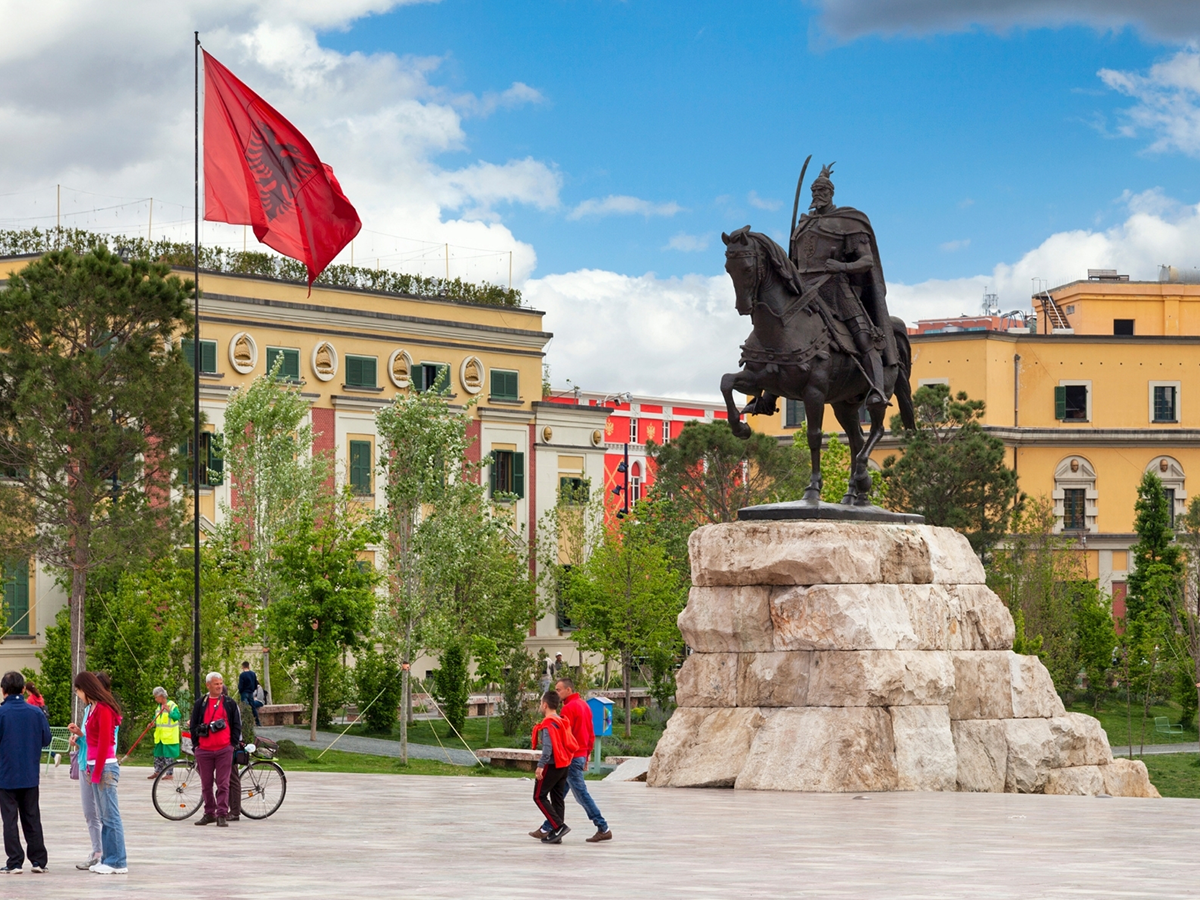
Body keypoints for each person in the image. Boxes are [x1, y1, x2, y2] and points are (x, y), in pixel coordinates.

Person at [531, 677, 613, 843]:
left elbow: (563, 737)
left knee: (580, 794)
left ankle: (603, 827)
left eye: (559, 689)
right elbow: (591, 732)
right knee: (559, 794)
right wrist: (587, 753)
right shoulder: (584, 705)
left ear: (569, 690)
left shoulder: (568, 709)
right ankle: (548, 827)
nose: (557, 692)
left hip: (570, 757)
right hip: (580, 754)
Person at [73, 671, 126, 874]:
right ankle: (107, 858)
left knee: (111, 816)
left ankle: (118, 861)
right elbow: (91, 741)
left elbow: (105, 743)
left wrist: (96, 772)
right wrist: (88, 766)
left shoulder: (103, 709)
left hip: (105, 767)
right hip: (94, 765)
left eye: (78, 691)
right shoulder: (93, 708)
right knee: (104, 817)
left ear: (85, 689)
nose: (78, 695)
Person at [0, 671, 51, 874]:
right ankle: (38, 860)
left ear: (3, 691)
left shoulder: (2, 713)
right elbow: (46, 739)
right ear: (23, 689)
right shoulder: (36, 713)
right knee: (32, 817)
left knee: (9, 820)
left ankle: (14, 862)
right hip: (30, 774)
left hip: (6, 775)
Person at [189, 672, 241, 827]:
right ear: (208, 685)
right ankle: (209, 812)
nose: (219, 686)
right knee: (206, 784)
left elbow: (237, 724)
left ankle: (222, 814)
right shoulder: (201, 703)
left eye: (220, 683)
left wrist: (232, 744)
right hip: (204, 750)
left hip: (224, 749)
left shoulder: (229, 703)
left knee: (223, 783)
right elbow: (193, 725)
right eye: (216, 684)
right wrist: (196, 745)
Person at [530, 691, 573, 845]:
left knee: (538, 796)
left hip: (552, 765)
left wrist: (540, 766)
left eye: (541, 703)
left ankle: (559, 827)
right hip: (564, 764)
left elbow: (548, 748)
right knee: (557, 798)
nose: (541, 706)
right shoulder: (562, 721)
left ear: (545, 705)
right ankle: (556, 834)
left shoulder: (548, 724)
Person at [149, 687, 181, 780]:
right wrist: (152, 724)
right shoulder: (158, 707)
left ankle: (169, 774)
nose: (155, 699)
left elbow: (177, 716)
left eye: (156, 697)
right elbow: (157, 719)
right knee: (158, 755)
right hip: (160, 736)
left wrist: (169, 711)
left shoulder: (172, 705)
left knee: (168, 756)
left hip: (169, 736)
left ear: (161, 696)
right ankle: (157, 771)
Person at [238, 662, 261, 726]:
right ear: (248, 666)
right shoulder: (253, 674)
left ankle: (245, 723)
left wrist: (240, 691)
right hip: (251, 692)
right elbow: (255, 683)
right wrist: (253, 689)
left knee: (245, 707)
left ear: (243, 666)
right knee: (253, 707)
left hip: (244, 692)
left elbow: (241, 685)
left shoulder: (242, 675)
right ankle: (257, 722)